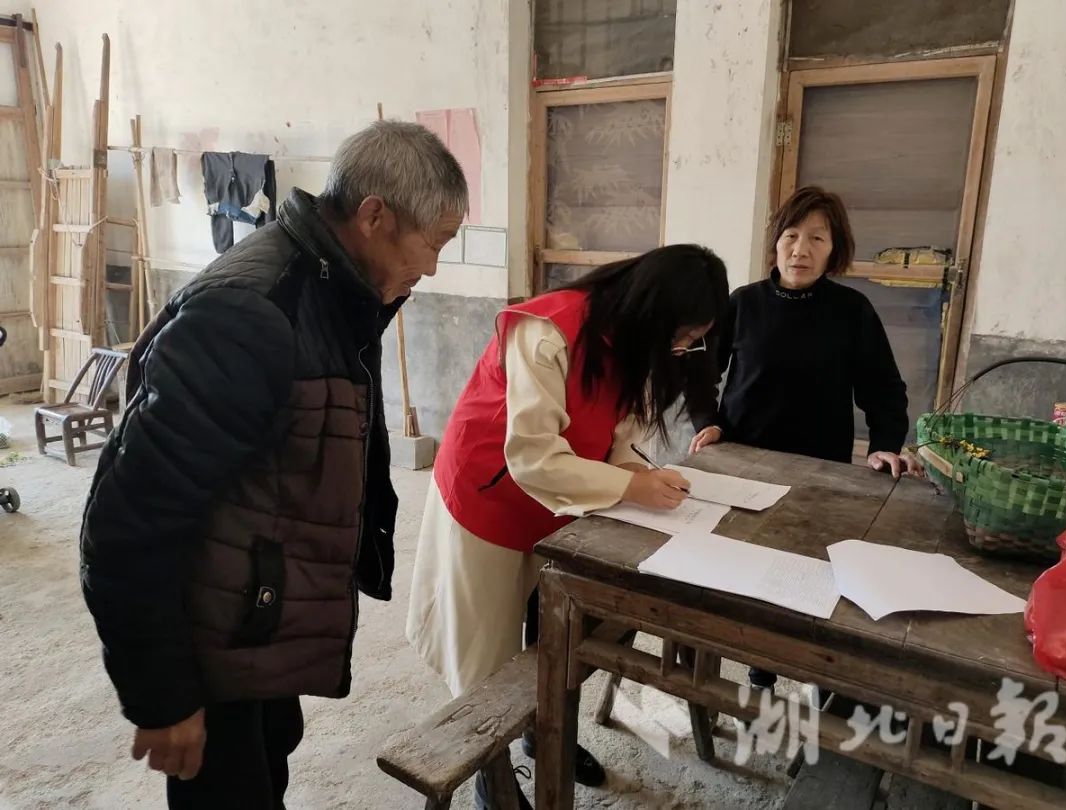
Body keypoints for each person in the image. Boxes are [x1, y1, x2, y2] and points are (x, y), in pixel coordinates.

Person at [79, 121, 468, 809]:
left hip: (257, 622)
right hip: (212, 644)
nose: (432, 267)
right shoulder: (250, 314)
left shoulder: (336, 291)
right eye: (433, 243)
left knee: (268, 768)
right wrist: (163, 696)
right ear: (374, 216)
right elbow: (128, 523)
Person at [406, 244, 730, 809]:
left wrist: (635, 473)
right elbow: (532, 457)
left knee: (557, 632)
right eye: (681, 337)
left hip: (564, 502)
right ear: (653, 314)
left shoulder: (632, 340)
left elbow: (622, 432)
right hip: (488, 494)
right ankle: (491, 775)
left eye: (690, 342)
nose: (681, 351)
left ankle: (545, 731)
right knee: (486, 658)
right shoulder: (547, 332)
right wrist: (628, 485)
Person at [686, 185, 910, 692]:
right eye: (790, 235)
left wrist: (885, 444)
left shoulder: (852, 311)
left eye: (816, 238)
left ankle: (796, 666)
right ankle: (743, 661)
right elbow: (700, 372)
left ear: (834, 249)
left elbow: (884, 388)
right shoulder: (743, 303)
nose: (800, 249)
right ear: (775, 242)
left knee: (805, 571)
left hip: (819, 467)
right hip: (742, 460)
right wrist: (707, 421)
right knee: (737, 565)